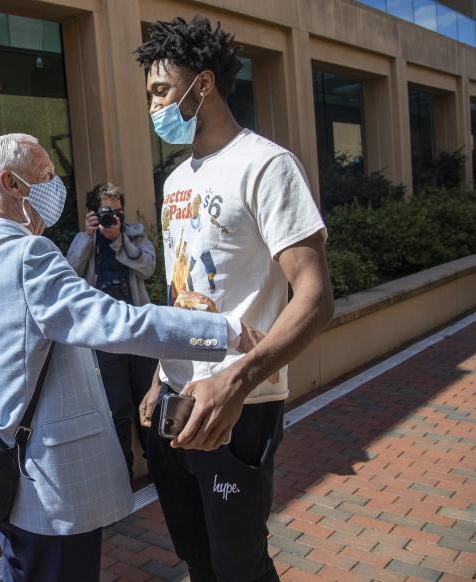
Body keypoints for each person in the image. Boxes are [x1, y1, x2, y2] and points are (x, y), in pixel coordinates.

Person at [0, 133, 261, 582]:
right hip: (48, 488)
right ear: (11, 183)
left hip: (0, 471)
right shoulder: (29, 254)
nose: (54, 186)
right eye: (44, 177)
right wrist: (224, 331)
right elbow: (119, 323)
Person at [135, 17, 334, 582]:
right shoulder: (176, 182)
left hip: (237, 408)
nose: (153, 108)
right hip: (174, 406)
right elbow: (182, 290)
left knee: (238, 566)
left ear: (202, 84)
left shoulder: (267, 166)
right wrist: (158, 376)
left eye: (161, 91)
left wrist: (238, 380)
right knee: (197, 559)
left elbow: (316, 300)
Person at [66, 182, 159, 479]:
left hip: (139, 334)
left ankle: (161, 469)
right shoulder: (86, 240)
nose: (114, 217)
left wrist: (118, 239)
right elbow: (68, 275)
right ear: (93, 212)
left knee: (149, 405)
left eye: (118, 211)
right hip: (105, 337)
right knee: (117, 410)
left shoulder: (134, 234)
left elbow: (147, 268)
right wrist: (86, 236)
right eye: (107, 211)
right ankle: (124, 477)